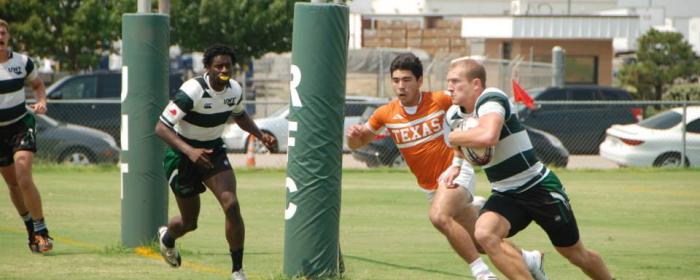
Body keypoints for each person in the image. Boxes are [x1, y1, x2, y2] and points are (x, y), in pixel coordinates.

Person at [346, 53, 545, 280]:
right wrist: (355, 136)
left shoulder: (440, 100)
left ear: (420, 81)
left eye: (407, 80)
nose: (400, 86)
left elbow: (474, 105)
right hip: (430, 186)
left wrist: (484, 126)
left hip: (456, 170)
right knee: (480, 241)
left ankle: (482, 274)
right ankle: (530, 259)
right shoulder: (385, 113)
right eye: (396, 80)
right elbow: (358, 142)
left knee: (439, 217)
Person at [447, 58, 613, 280]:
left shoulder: (491, 98)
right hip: (505, 193)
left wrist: (454, 137)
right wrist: (456, 165)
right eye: (448, 81)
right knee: (484, 234)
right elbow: (461, 145)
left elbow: (488, 136)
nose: (449, 86)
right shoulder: (454, 115)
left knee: (574, 253)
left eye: (456, 81)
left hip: (538, 188)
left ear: (476, 84)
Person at [155, 44, 276, 280]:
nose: (224, 69)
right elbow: (161, 127)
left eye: (228, 65)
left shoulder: (234, 90)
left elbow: (239, 115)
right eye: (218, 65)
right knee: (189, 223)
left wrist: (260, 135)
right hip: (182, 155)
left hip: (213, 152)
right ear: (208, 68)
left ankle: (237, 270)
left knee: (231, 205)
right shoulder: (193, 90)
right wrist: (190, 151)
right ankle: (168, 237)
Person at [0, 19, 53, 253]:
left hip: (20, 124)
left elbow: (38, 85)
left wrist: (41, 101)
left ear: (8, 36)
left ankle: (42, 231)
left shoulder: (22, 62)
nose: (0, 36)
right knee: (12, 184)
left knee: (23, 175)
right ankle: (30, 228)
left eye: (2, 33)